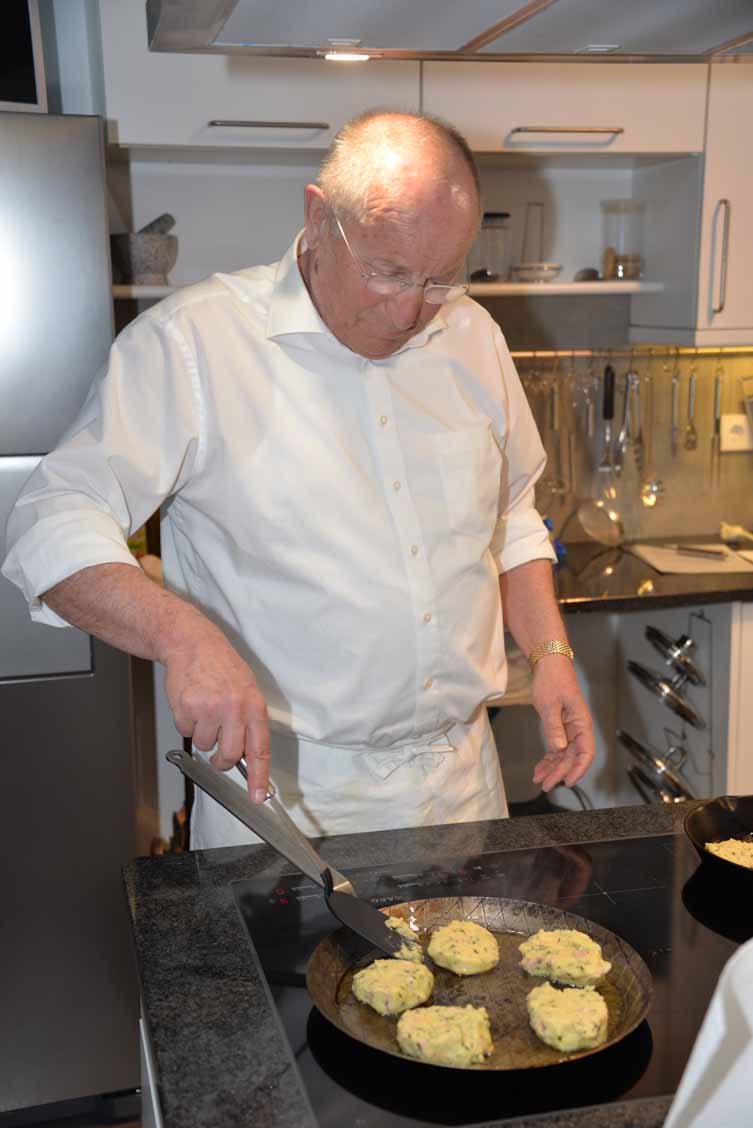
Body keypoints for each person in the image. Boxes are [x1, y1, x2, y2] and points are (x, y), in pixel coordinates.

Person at [2, 110, 593, 849]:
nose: (411, 309)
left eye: (441, 277)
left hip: (463, 787)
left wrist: (549, 655)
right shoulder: (196, 343)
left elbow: (511, 516)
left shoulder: (474, 337)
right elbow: (50, 520)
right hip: (283, 797)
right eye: (387, 272)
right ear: (318, 220)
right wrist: (182, 634)